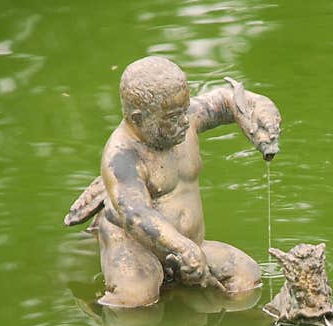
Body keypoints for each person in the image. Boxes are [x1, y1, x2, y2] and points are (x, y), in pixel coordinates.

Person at [65, 56, 281, 308]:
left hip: (192, 246)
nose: (186, 121)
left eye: (185, 110)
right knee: (135, 298)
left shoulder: (181, 119)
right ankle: (114, 317)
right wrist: (183, 248)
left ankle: (202, 314)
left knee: (246, 279)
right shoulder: (122, 155)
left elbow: (226, 100)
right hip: (137, 249)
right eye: (173, 118)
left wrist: (260, 108)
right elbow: (136, 214)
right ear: (138, 119)